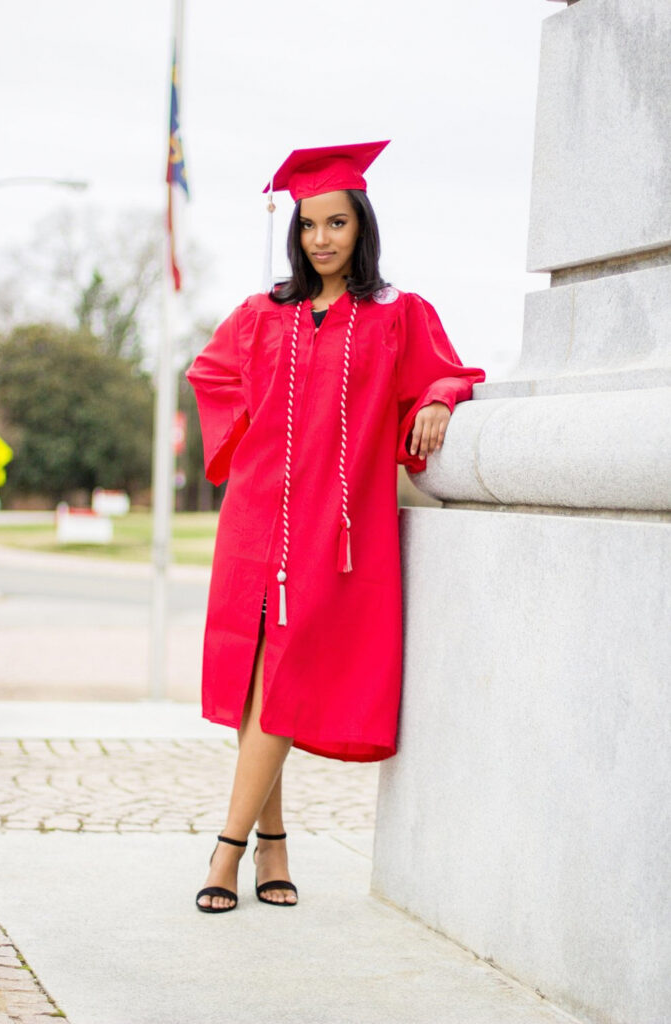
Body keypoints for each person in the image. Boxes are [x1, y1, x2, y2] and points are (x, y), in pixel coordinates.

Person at [186, 140, 486, 913]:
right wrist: (248, 438)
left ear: (361, 228)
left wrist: (437, 401)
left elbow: (445, 371)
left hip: (334, 529)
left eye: (336, 224)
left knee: (283, 677)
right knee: (259, 681)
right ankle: (272, 847)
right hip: (256, 522)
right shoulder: (262, 314)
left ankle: (227, 849)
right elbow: (210, 375)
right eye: (310, 225)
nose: (321, 238)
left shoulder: (396, 314)